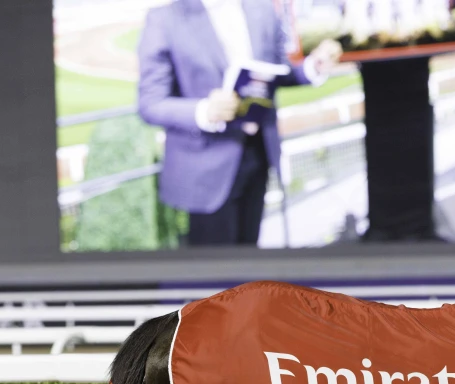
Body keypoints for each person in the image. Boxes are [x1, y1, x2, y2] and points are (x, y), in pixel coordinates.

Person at [138, 0, 341, 246]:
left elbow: (278, 71)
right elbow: (150, 103)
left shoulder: (262, 8)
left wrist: (312, 67)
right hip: (206, 166)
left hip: (258, 153)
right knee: (214, 274)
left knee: (249, 259)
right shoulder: (165, 19)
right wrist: (204, 110)